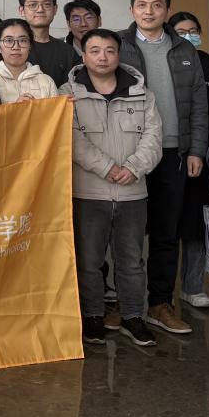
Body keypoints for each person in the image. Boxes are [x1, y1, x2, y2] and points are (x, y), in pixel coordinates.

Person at [116, 0, 209, 336]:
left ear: (167, 11)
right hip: (128, 152)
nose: (149, 11)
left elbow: (198, 103)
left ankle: (159, 304)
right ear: (131, 10)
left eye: (157, 5)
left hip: (173, 152)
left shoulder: (184, 49)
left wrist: (196, 149)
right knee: (125, 233)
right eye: (142, 5)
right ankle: (124, 307)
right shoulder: (118, 45)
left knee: (166, 232)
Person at [63, 29, 162, 348]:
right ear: (83, 56)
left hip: (133, 192)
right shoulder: (69, 94)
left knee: (132, 260)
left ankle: (133, 317)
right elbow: (72, 139)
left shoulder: (142, 93)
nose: (102, 57)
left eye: (109, 50)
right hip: (88, 193)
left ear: (119, 55)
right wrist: (107, 168)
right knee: (89, 260)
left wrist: (133, 167)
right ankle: (93, 316)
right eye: (94, 51)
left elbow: (153, 138)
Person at [169, 11, 209, 309]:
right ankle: (158, 295)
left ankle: (192, 286)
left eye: (193, 30)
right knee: (165, 227)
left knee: (195, 225)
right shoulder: (165, 60)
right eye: (181, 31)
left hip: (203, 157)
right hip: (168, 154)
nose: (188, 36)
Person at [18, 0, 79, 88]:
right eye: (33, 5)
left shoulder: (67, 52)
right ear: (22, 10)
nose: (40, 10)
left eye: (46, 4)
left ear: (55, 9)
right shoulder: (12, 48)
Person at [0, 18, 58, 102]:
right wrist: (17, 107)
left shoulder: (46, 82)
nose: (16, 47)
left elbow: (56, 110)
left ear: (30, 46)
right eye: (9, 40)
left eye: (22, 40)